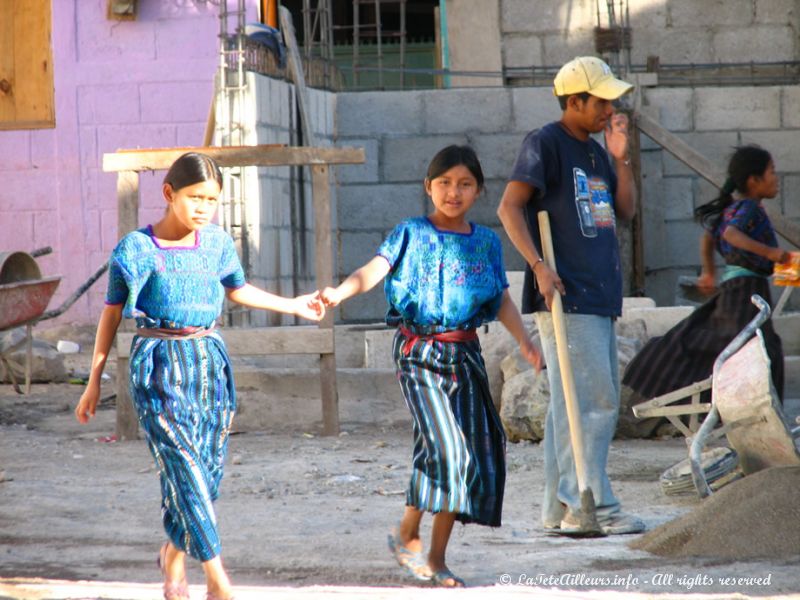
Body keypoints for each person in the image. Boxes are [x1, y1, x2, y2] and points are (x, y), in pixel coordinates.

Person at [74, 152, 324, 600]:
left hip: (209, 364)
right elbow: (111, 315)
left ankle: (172, 552)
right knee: (183, 466)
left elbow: (239, 289)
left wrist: (294, 305)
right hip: (157, 366)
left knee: (206, 474)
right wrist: (94, 379)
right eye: (195, 198)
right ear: (169, 194)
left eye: (212, 200)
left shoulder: (217, 244)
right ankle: (218, 579)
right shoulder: (136, 249)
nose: (203, 208)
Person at [318, 145, 542, 587]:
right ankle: (410, 536)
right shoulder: (410, 233)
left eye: (464, 184)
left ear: (478, 190)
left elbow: (500, 298)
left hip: (466, 359)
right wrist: (340, 293)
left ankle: (431, 554)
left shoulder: (486, 243)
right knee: (448, 451)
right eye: (444, 183)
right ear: (428, 187)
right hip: (418, 353)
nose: (453, 192)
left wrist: (526, 342)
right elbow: (374, 269)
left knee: (465, 452)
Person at [497, 56, 645, 536]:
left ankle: (559, 507)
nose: (609, 109)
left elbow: (625, 209)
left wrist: (620, 155)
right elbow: (509, 207)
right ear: (574, 100)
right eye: (601, 101)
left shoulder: (599, 154)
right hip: (567, 292)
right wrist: (539, 266)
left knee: (572, 405)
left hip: (598, 295)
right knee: (594, 401)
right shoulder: (546, 144)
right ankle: (592, 504)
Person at [623, 144, 786, 407]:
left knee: (750, 346)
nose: (776, 179)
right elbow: (730, 234)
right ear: (753, 181)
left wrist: (709, 272)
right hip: (746, 292)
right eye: (771, 172)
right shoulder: (747, 209)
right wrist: (770, 253)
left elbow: (708, 238)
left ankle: (754, 409)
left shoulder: (734, 208)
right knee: (760, 349)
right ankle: (760, 410)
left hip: (738, 289)